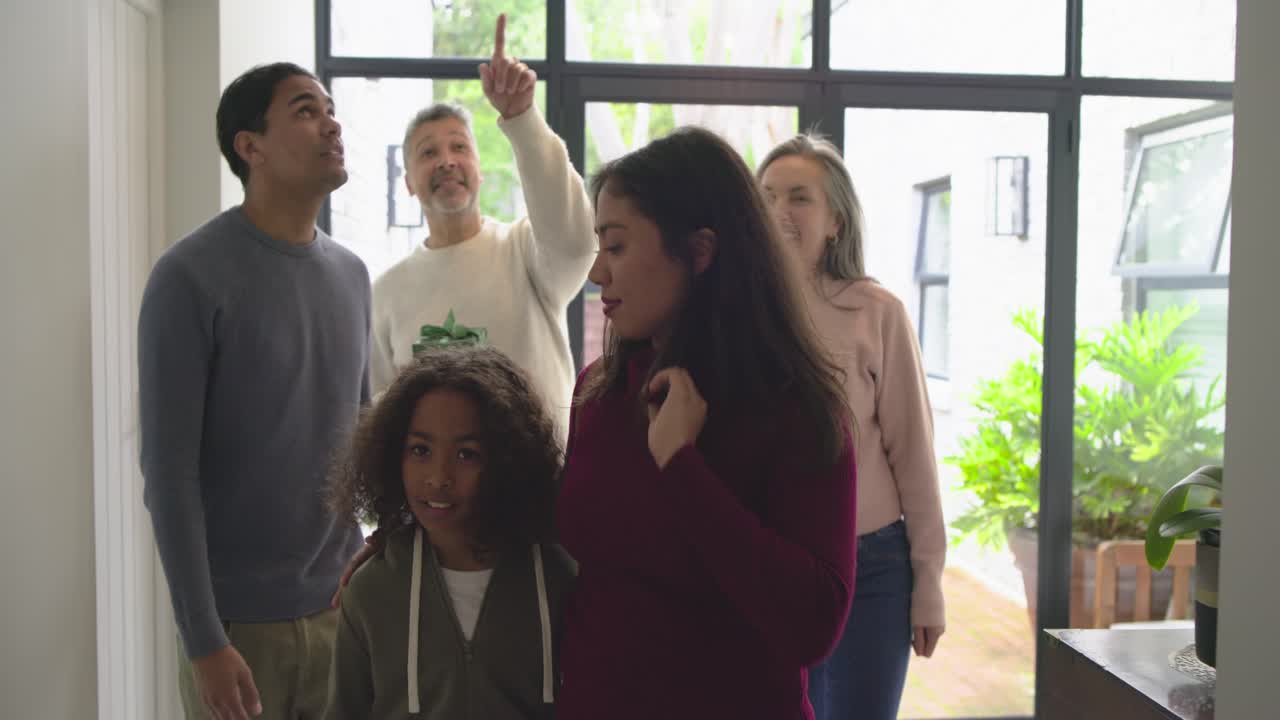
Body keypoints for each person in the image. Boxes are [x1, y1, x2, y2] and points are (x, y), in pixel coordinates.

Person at [554, 126, 858, 719]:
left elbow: (814, 624)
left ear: (699, 252)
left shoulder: (796, 407)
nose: (597, 273)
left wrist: (683, 469)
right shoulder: (599, 389)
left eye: (616, 247)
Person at [138, 62, 369, 719]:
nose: (332, 124)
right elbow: (169, 474)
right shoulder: (188, 276)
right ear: (251, 146)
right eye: (305, 111)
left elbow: (361, 434)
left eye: (330, 109)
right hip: (237, 631)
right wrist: (204, 639)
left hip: (341, 609)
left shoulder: (352, 275)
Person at [758, 133, 947, 720]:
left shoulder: (877, 312)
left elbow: (914, 457)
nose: (779, 211)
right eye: (766, 197)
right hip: (773, 567)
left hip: (874, 570)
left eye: (799, 197)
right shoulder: (737, 313)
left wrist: (929, 583)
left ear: (836, 221)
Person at [371, 14, 594, 441]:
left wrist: (522, 118)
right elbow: (382, 420)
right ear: (408, 183)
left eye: (459, 147)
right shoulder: (385, 293)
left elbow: (576, 242)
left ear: (480, 170)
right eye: (428, 152)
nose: (446, 161)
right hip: (437, 484)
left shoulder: (525, 251)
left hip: (537, 479)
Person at [324, 346, 575, 719]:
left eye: (466, 454)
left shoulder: (557, 577)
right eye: (420, 450)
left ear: (509, 460)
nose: (438, 478)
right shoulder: (371, 591)